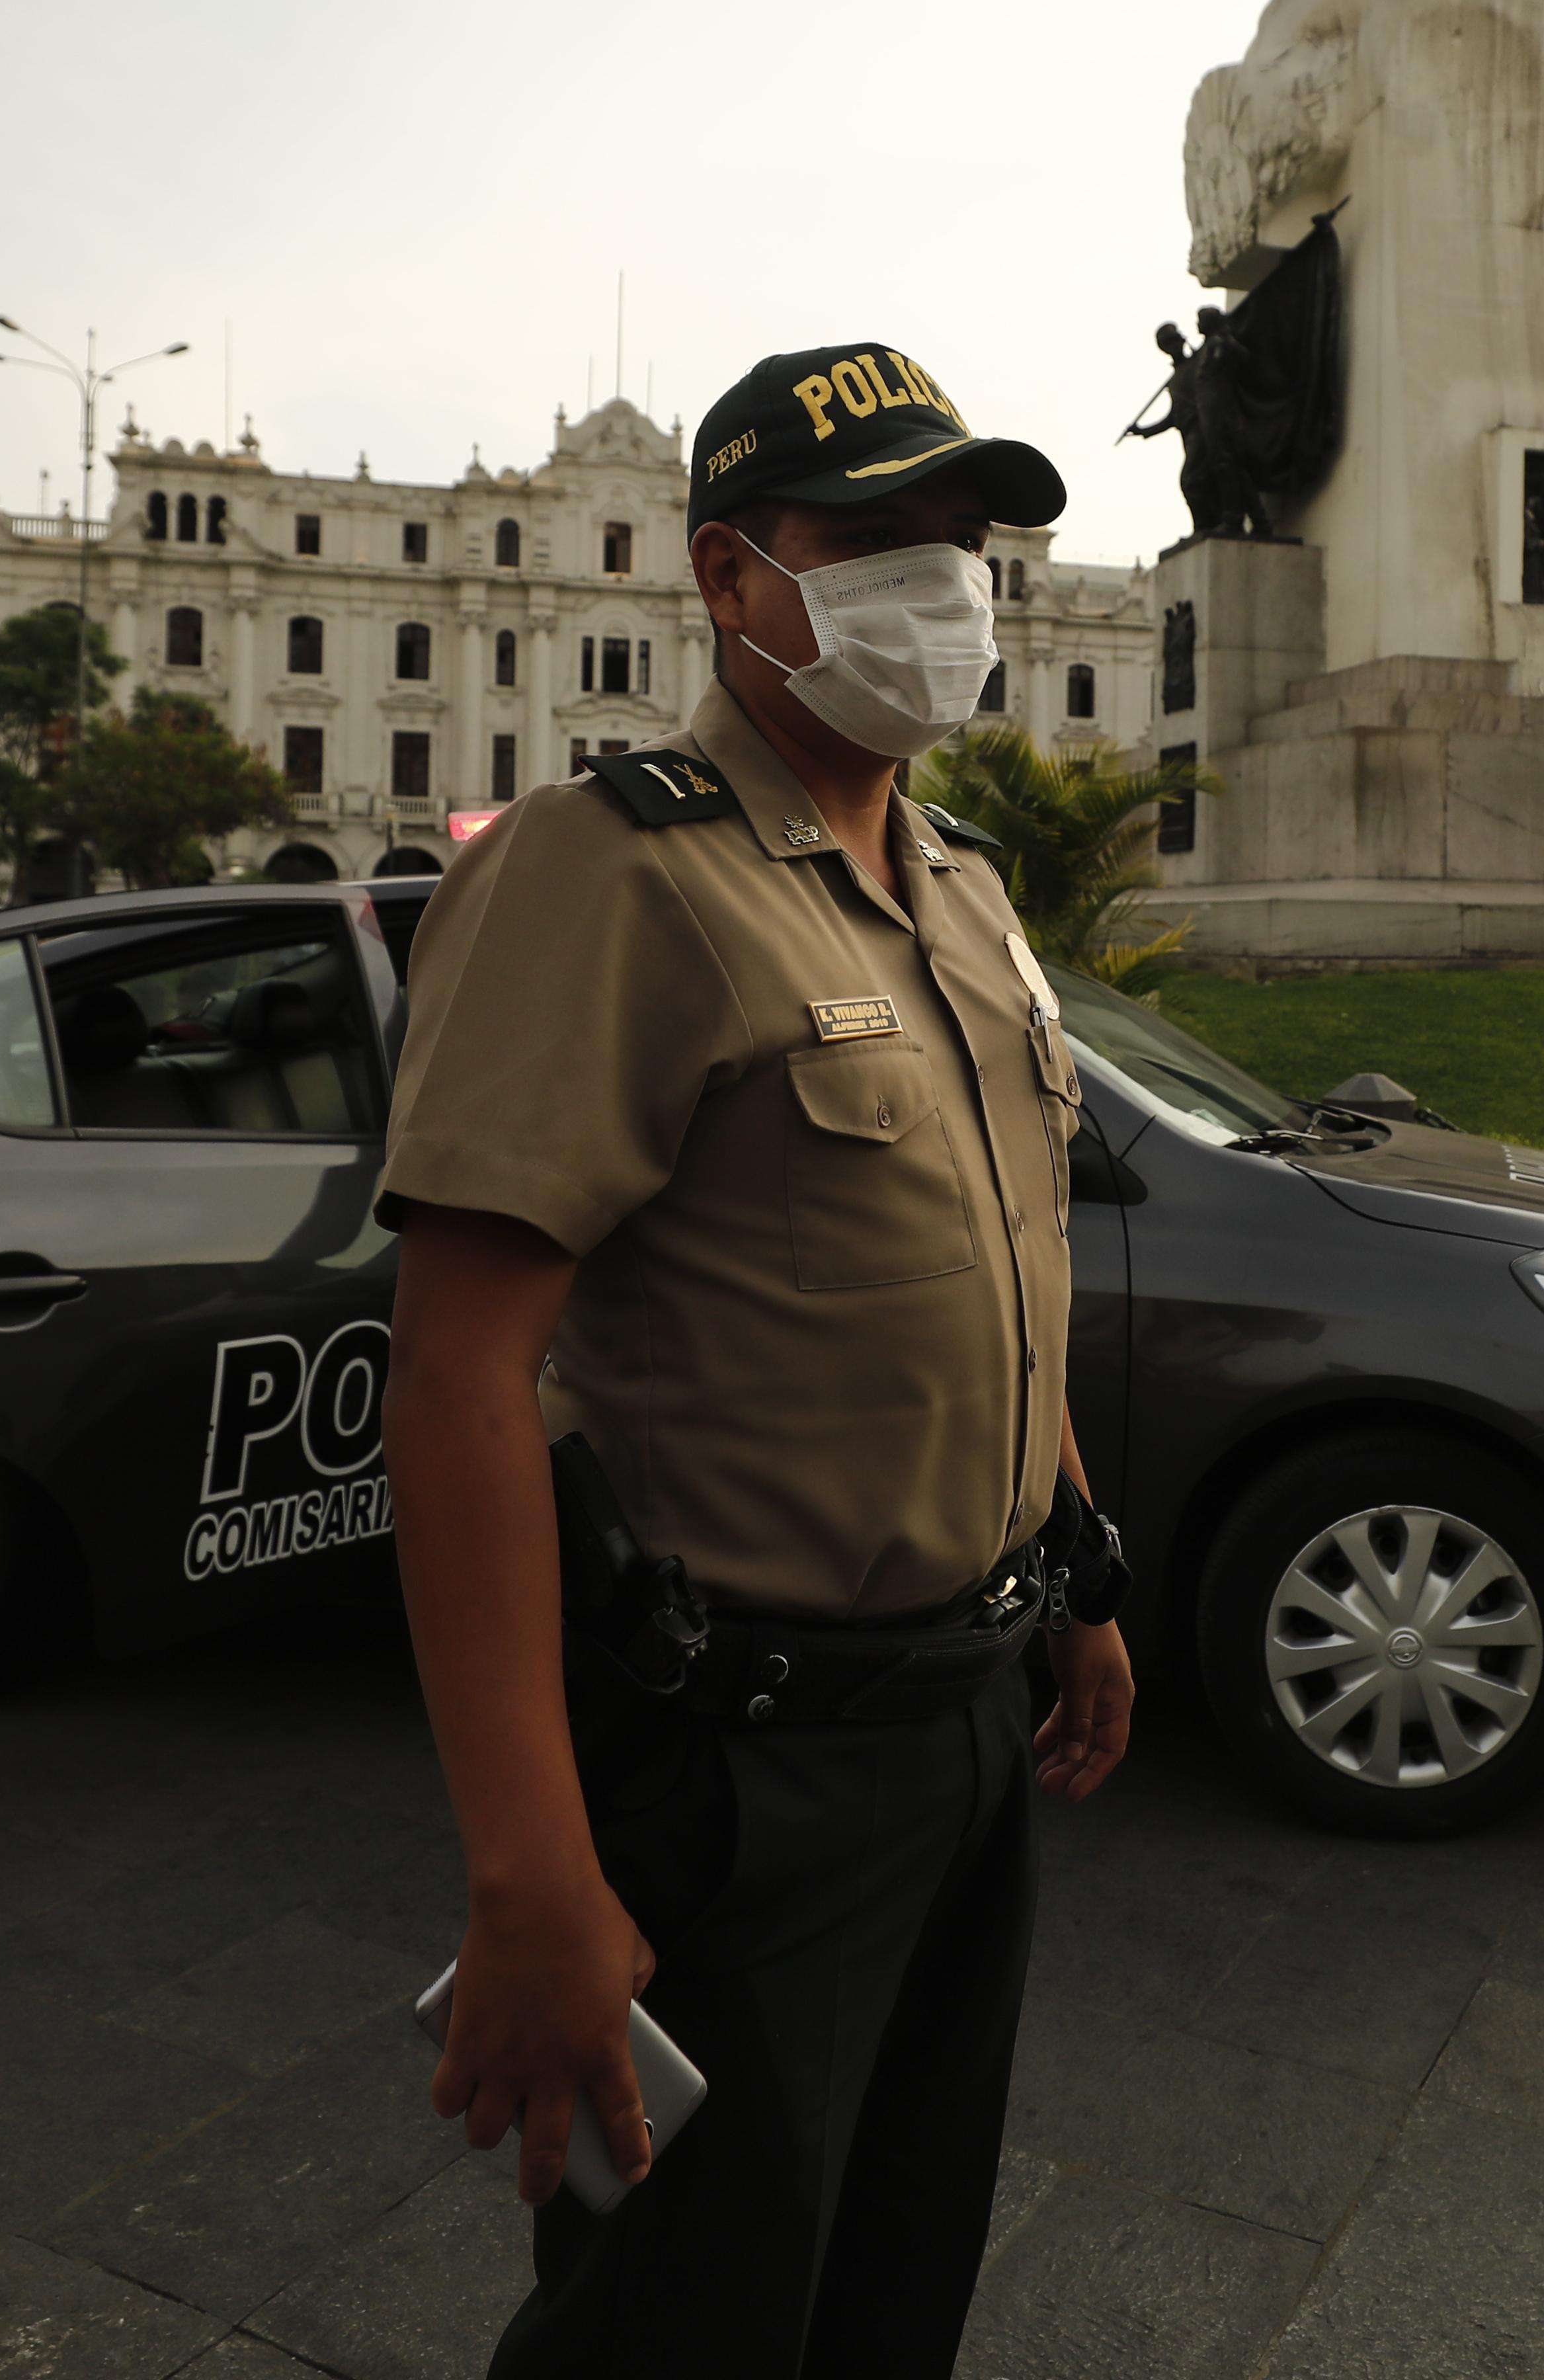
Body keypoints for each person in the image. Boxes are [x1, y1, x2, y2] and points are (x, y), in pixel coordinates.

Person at [382, 342, 1135, 2378]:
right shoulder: (601, 869)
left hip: (965, 1721)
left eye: (960, 543)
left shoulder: (961, 890)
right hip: (740, 1764)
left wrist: (1071, 1570)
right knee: (682, 2319)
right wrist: (527, 1862)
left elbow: (994, 1256)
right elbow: (452, 1379)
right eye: (875, 539)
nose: (943, 586)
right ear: (732, 577)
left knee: (895, 2274)